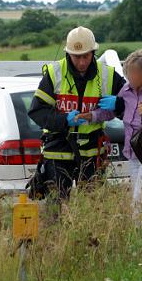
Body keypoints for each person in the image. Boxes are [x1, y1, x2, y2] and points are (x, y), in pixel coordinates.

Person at [28, 26, 127, 200]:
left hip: (91, 153)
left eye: (86, 56)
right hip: (58, 151)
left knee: (92, 209)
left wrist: (119, 104)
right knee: (56, 207)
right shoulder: (54, 73)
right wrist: (64, 120)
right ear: (68, 54)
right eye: (76, 57)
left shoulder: (108, 75)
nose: (81, 62)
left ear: (93, 52)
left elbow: (133, 105)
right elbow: (37, 111)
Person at [85, 49, 142, 216]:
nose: (130, 76)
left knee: (139, 200)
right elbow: (111, 112)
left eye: (133, 72)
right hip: (134, 153)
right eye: (127, 72)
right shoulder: (125, 91)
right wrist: (90, 116)